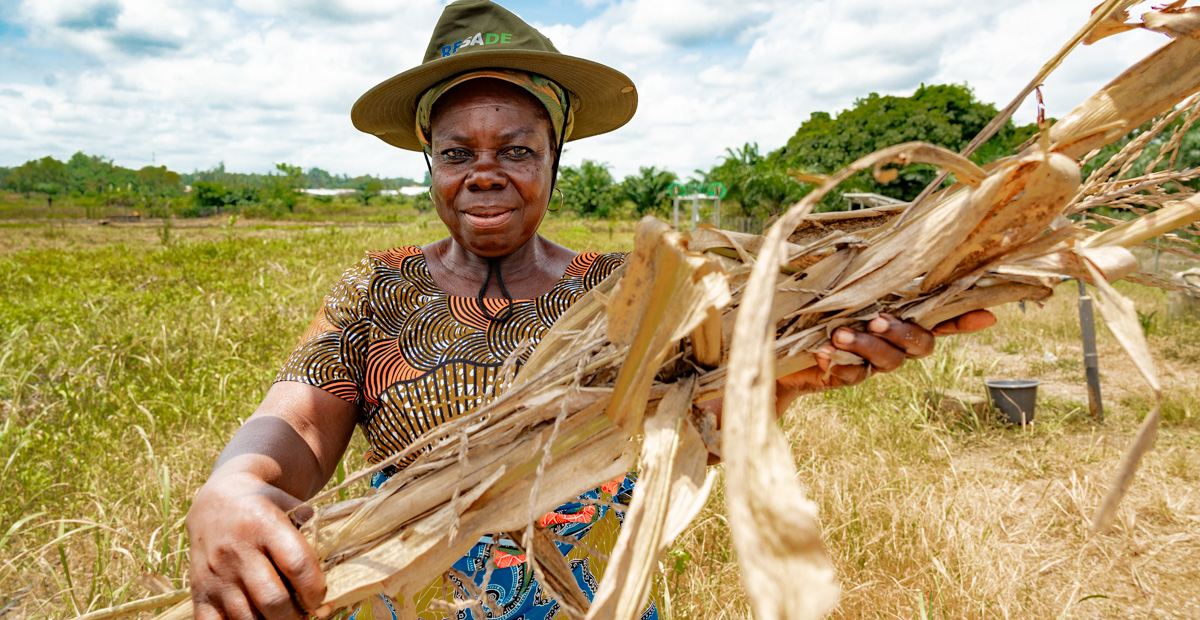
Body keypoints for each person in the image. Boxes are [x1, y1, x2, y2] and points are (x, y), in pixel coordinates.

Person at [184, 2, 995, 619]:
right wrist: (233, 485)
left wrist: (817, 359)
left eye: (517, 149)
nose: (485, 172)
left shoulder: (628, 290)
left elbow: (712, 412)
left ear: (555, 160)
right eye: (457, 152)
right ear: (430, 165)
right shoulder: (380, 286)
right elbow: (296, 422)